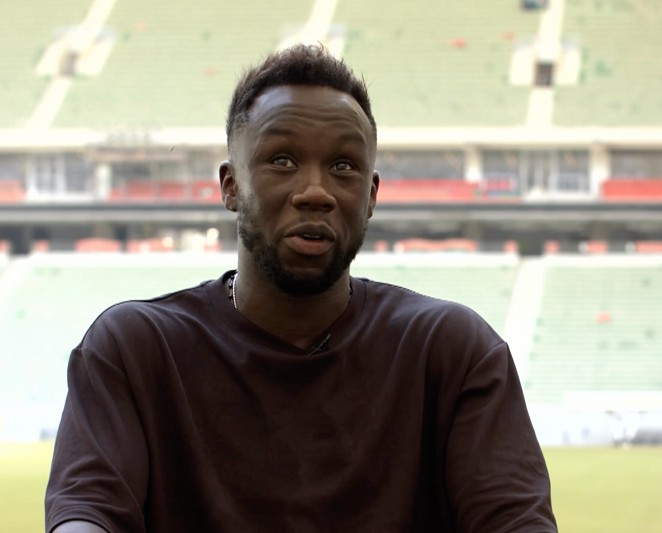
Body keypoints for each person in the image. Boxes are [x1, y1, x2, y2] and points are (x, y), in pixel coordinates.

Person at [45, 44, 557, 532]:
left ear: (372, 195)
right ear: (231, 185)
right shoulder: (135, 350)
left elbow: (513, 518)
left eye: (344, 167)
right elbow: (89, 511)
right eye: (282, 161)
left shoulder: (449, 350)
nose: (315, 191)